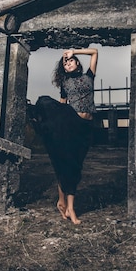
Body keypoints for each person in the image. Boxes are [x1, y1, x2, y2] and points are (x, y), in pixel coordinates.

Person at [49, 47, 98, 224]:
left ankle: (62, 202)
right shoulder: (65, 84)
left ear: (77, 63)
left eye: (70, 60)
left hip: (88, 126)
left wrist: (73, 51)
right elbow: (62, 108)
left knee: (75, 165)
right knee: (72, 166)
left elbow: (95, 52)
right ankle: (70, 207)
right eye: (65, 63)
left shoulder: (89, 76)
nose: (68, 63)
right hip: (72, 125)